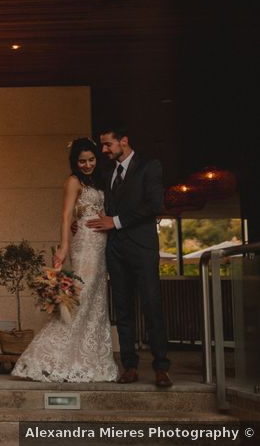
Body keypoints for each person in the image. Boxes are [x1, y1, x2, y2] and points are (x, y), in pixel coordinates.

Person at [11, 138, 118, 382]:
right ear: (74, 162)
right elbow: (65, 215)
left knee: (96, 301)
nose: (87, 165)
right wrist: (63, 247)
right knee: (82, 297)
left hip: (101, 242)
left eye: (91, 160)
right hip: (84, 243)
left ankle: (89, 360)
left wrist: (106, 218)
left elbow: (99, 209)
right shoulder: (73, 181)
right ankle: (47, 357)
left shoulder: (98, 182)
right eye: (82, 161)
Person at [88, 126, 172, 387]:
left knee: (151, 306)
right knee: (122, 310)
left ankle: (161, 368)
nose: (103, 151)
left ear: (124, 141)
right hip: (115, 250)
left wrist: (117, 221)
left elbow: (154, 205)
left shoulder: (150, 166)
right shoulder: (107, 172)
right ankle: (130, 367)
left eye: (107, 145)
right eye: (102, 145)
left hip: (142, 248)